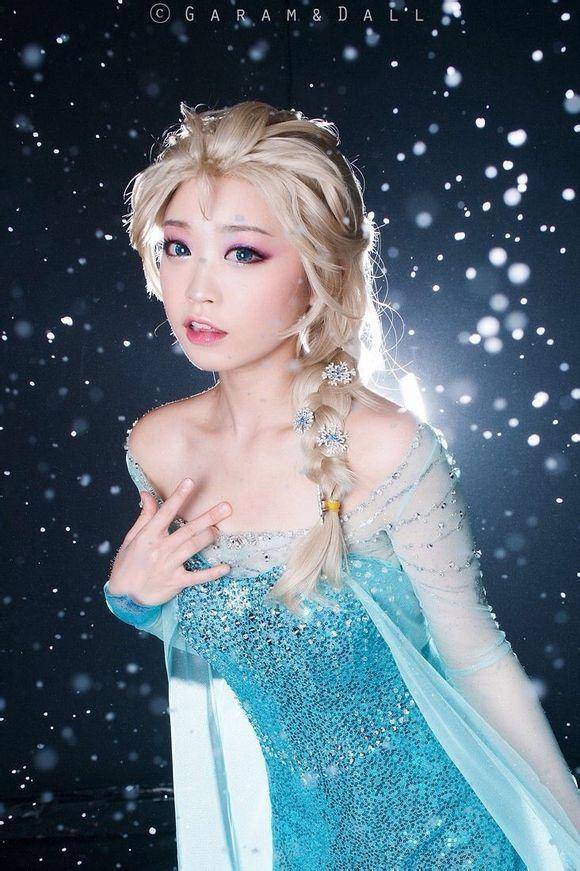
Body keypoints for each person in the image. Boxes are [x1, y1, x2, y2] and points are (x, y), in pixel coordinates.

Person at [103, 101, 580, 870]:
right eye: (179, 247)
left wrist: (572, 830)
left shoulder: (391, 449)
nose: (197, 288)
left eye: (243, 253)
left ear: (317, 271)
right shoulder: (157, 449)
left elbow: (476, 657)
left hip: (453, 842)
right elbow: (245, 641)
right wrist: (130, 601)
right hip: (303, 847)